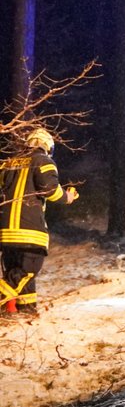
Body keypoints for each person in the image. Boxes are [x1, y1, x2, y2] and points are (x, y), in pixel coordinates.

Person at [0, 128, 79, 316]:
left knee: (15, 271)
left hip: (5, 231)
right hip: (29, 230)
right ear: (47, 146)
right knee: (27, 270)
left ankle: (26, 309)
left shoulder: (8, 163)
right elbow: (50, 190)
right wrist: (67, 197)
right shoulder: (44, 161)